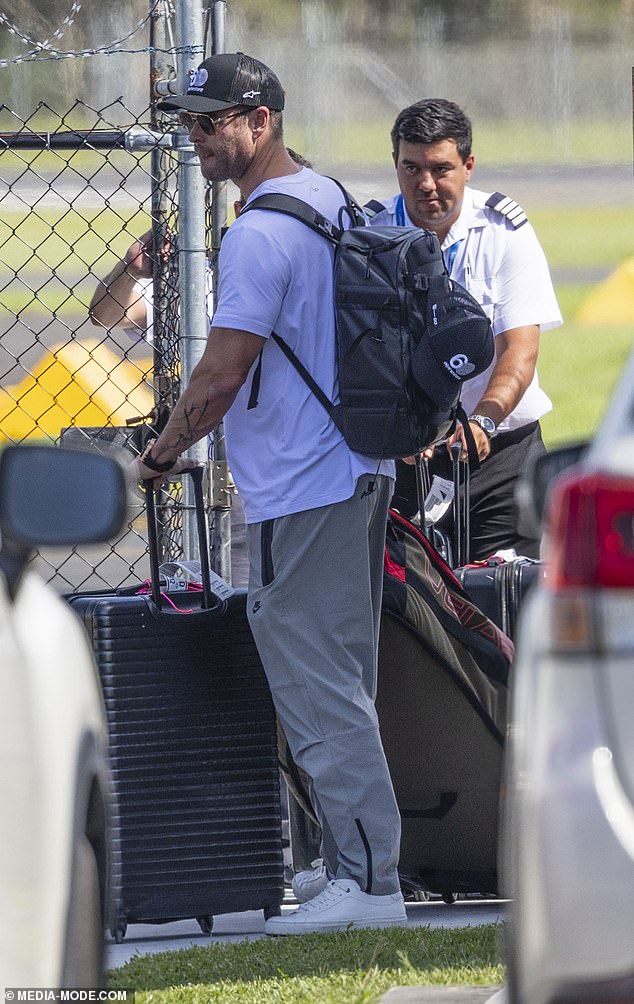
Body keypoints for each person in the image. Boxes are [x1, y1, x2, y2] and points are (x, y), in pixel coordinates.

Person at [128, 51, 406, 935]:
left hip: (303, 483)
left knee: (319, 688)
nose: (198, 138)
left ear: (262, 121)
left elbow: (218, 375)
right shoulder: (324, 197)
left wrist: (162, 454)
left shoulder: (256, 233)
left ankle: (370, 884)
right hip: (357, 469)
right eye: (192, 123)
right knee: (343, 680)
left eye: (212, 122)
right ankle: (345, 865)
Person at [88, 149, 312, 589]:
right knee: (221, 600)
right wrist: (131, 269)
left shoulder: (324, 275)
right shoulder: (207, 279)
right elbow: (106, 314)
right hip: (211, 472)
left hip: (292, 470)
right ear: (238, 210)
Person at [370, 99, 562, 562]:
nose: (426, 184)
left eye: (440, 168)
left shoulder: (504, 232)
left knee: (505, 600)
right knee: (404, 612)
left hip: (498, 454)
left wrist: (484, 421)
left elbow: (519, 350)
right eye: (411, 168)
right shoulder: (370, 235)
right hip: (403, 460)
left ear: (468, 165)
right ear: (395, 164)